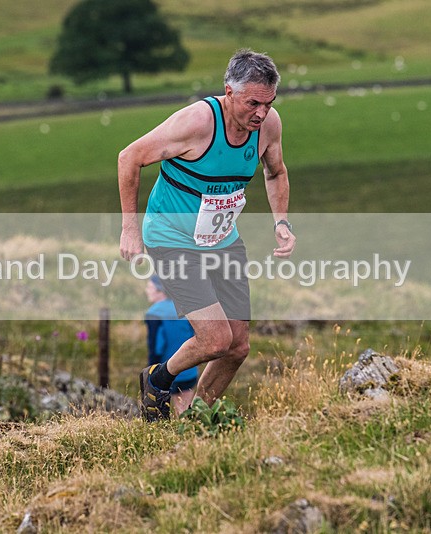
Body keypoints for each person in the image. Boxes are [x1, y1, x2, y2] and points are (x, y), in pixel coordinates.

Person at [118, 49, 296, 421]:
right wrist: (130, 228)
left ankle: (198, 420)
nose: (261, 113)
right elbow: (129, 157)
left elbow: (275, 172)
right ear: (228, 92)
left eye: (268, 103)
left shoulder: (268, 125)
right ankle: (158, 378)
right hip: (171, 238)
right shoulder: (196, 123)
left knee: (237, 347)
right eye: (253, 103)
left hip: (221, 239)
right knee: (215, 339)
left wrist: (281, 222)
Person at [145, 275, 198, 415]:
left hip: (168, 370)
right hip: (190, 370)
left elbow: (156, 346)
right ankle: (193, 431)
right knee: (185, 408)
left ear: (159, 290)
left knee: (162, 412)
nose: (147, 291)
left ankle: (182, 434)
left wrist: (151, 371)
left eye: (149, 287)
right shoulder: (183, 308)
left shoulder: (153, 313)